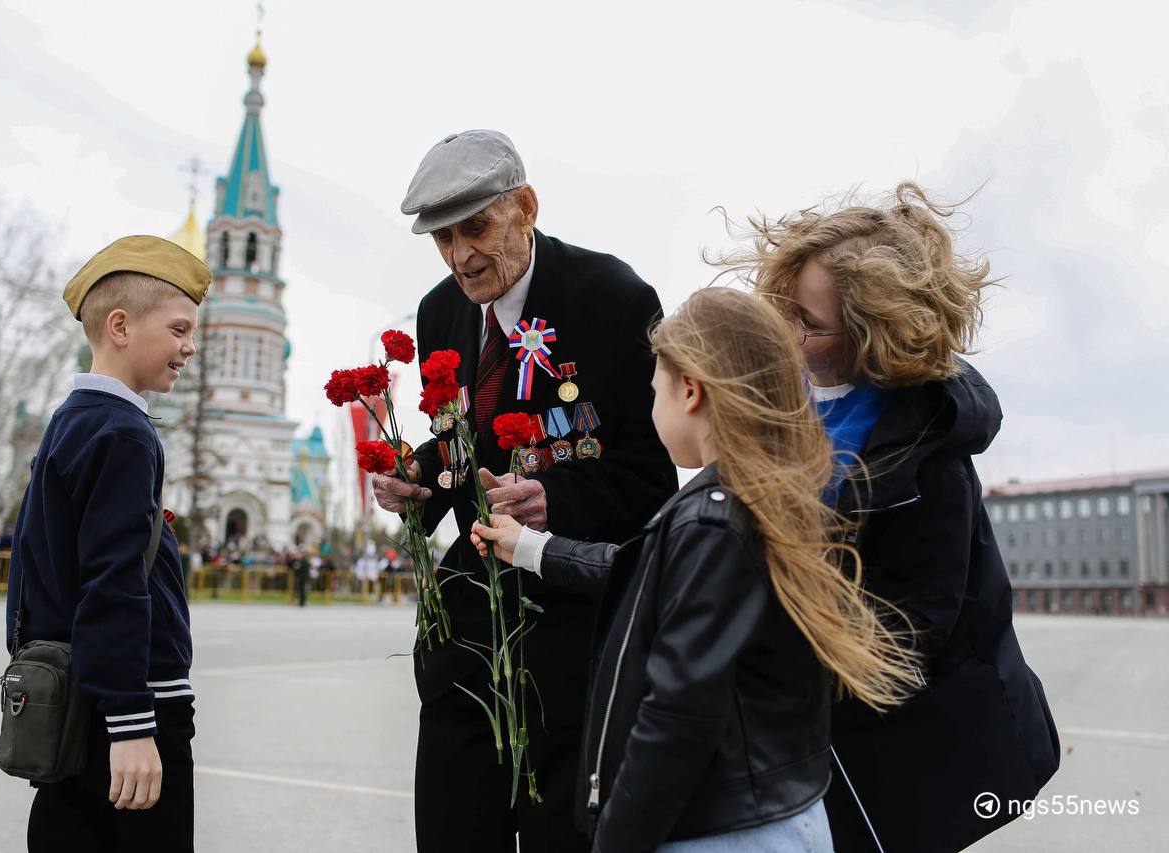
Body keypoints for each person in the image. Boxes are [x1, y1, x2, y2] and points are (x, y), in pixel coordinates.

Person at [473, 288, 920, 852]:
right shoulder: (768, 500)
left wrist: (617, 838)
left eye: (655, 389)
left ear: (690, 391)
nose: (652, 404)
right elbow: (644, 574)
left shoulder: (712, 518)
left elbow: (677, 716)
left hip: (717, 832)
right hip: (779, 818)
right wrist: (532, 547)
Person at [376, 129, 677, 853]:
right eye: (442, 238)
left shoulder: (612, 298)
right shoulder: (440, 312)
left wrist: (555, 500)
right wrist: (420, 478)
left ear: (526, 208)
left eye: (475, 227)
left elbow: (653, 468)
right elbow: (462, 446)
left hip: (573, 630)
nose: (460, 256)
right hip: (474, 631)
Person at [741, 183, 1061, 852]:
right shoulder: (793, 401)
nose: (789, 335)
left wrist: (771, 672)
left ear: (870, 334)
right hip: (826, 731)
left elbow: (910, 639)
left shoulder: (929, 459)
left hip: (921, 742)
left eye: (811, 324)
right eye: (786, 312)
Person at [4, 235, 210, 852]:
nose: (189, 347)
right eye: (178, 329)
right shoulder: (123, 433)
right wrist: (131, 725)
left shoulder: (73, 420)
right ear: (120, 326)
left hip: (73, 696)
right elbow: (112, 581)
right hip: (128, 703)